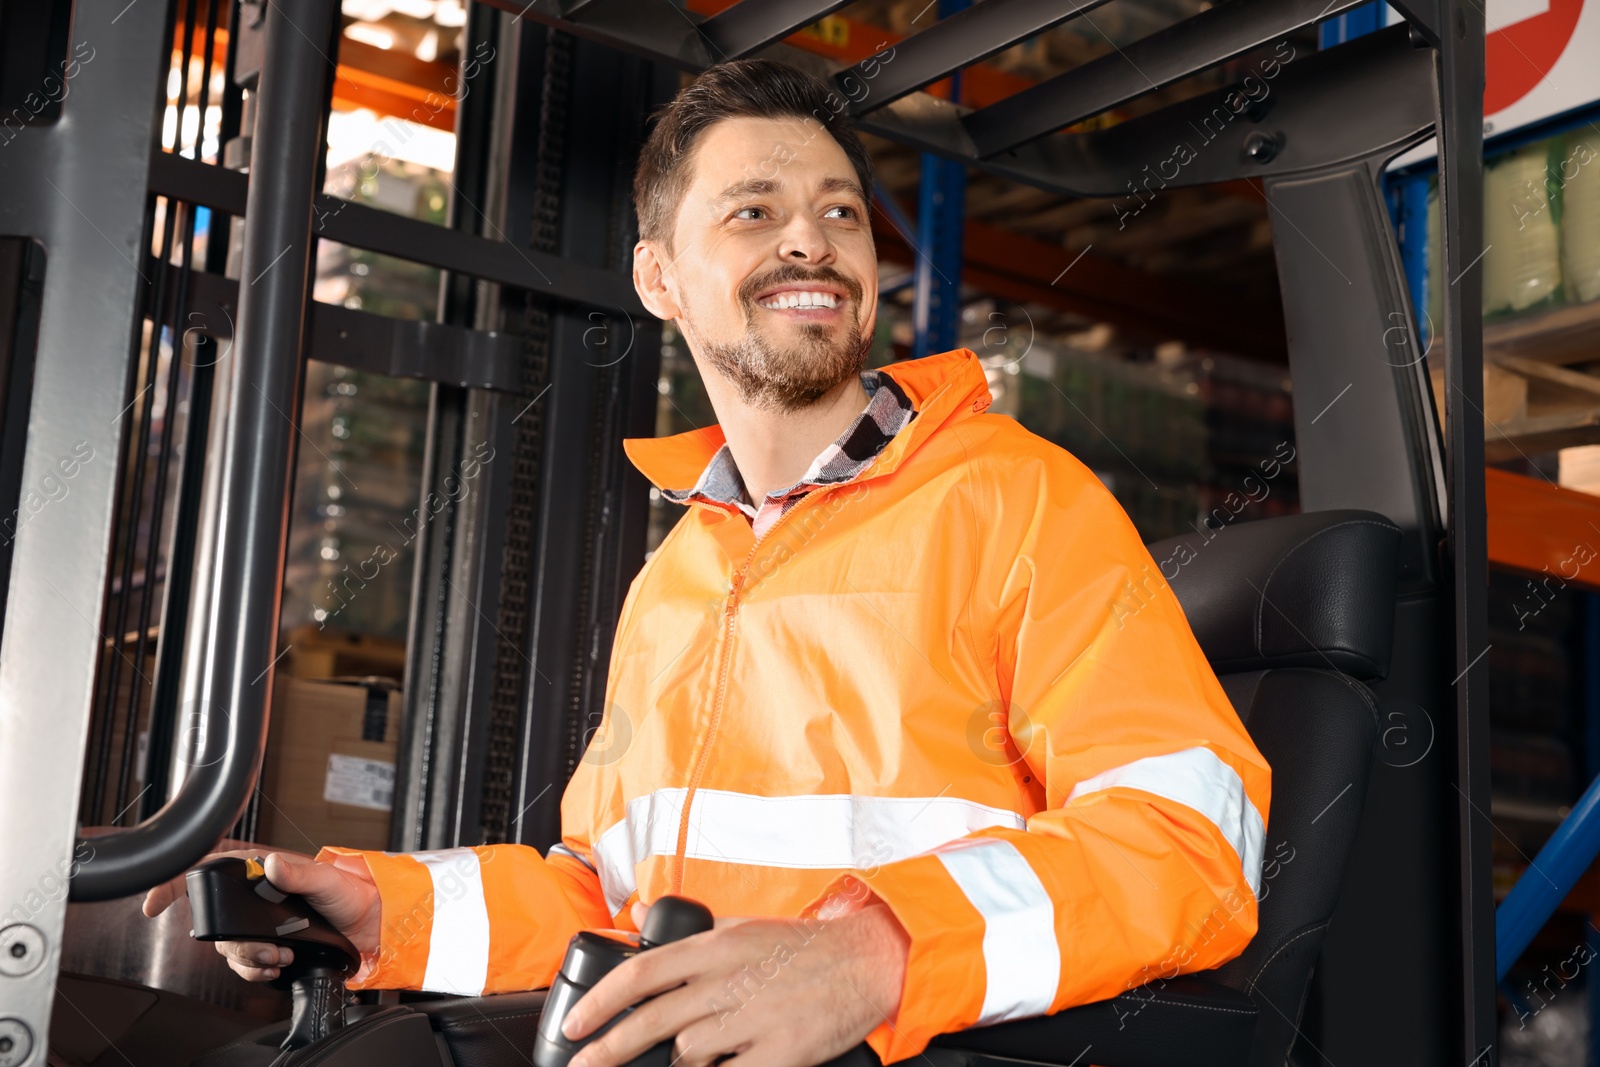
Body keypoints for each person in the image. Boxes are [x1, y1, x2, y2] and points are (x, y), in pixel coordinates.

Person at [145, 58, 1271, 1067]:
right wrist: (383, 907)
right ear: (658, 278)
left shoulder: (1019, 499)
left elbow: (1188, 840)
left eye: (840, 211)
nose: (809, 240)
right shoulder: (681, 573)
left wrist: (875, 953)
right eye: (754, 210)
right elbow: (608, 900)